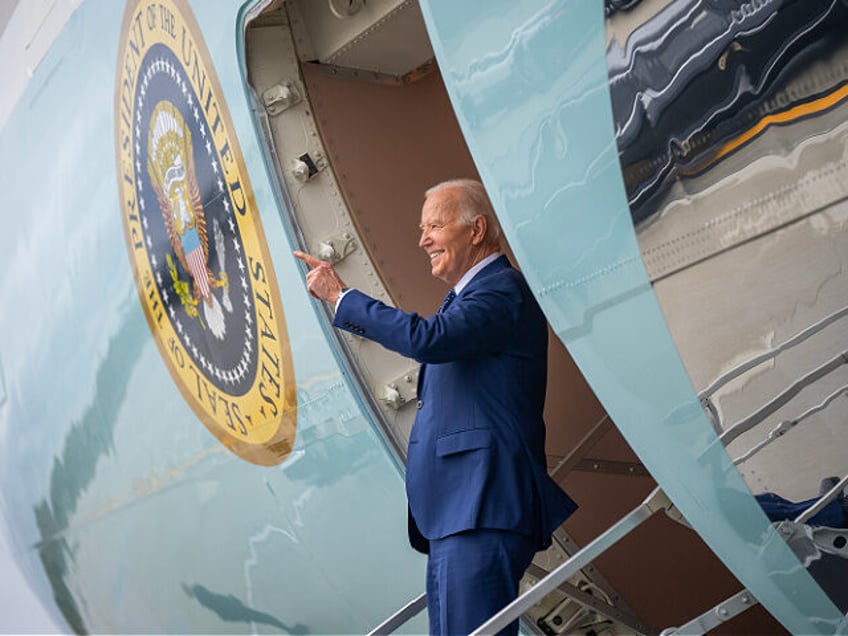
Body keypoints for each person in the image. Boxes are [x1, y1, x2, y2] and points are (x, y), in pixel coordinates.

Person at [294, 179, 577, 635]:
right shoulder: (469, 297)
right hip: (458, 511)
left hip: (482, 503)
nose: (423, 239)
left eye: (435, 226)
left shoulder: (500, 289)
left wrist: (340, 297)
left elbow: (429, 340)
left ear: (477, 230)